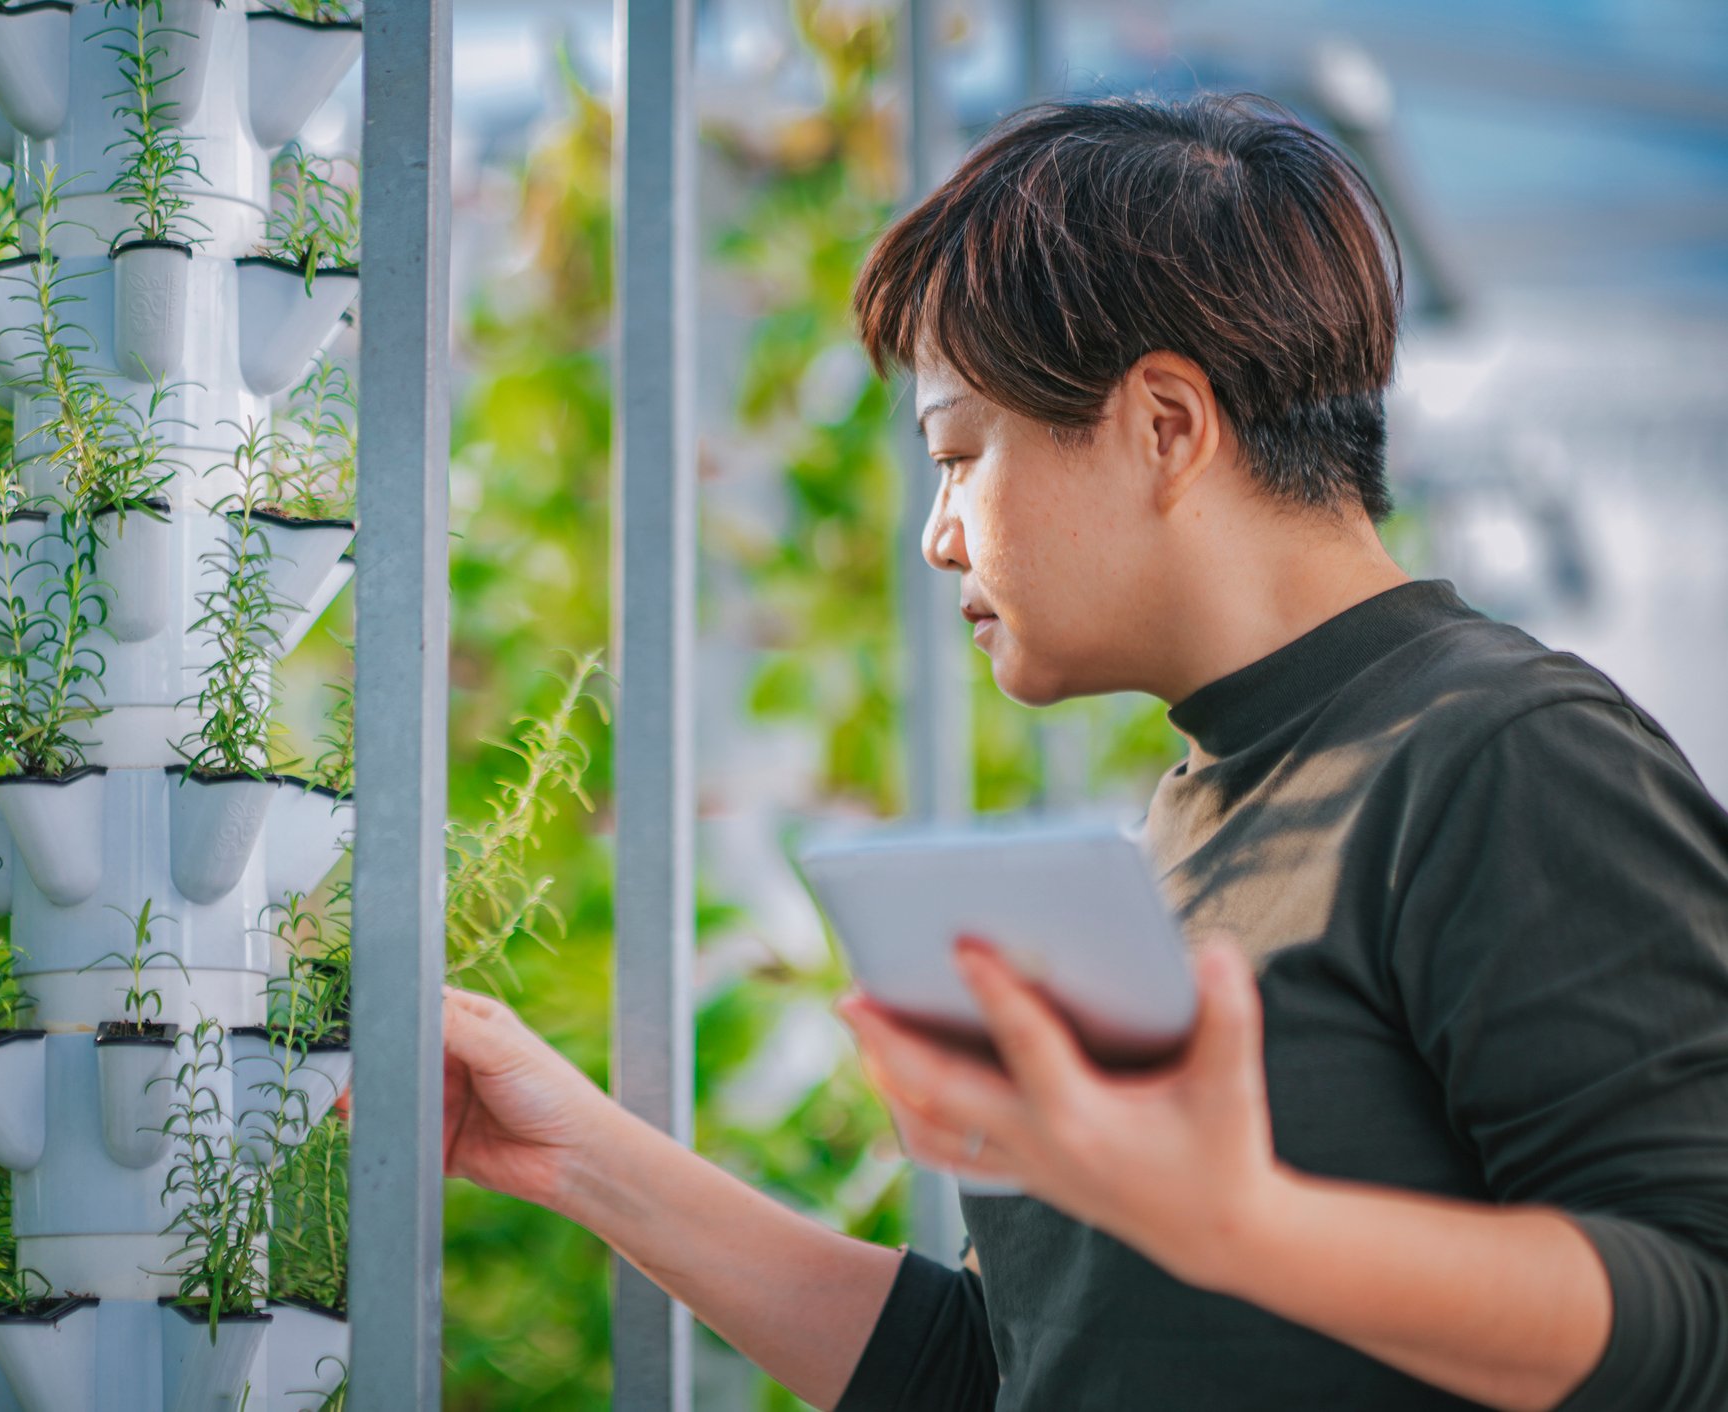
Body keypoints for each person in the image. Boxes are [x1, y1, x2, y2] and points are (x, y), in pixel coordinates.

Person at [439, 93, 1728, 1410]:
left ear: (1165, 426)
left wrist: (1248, 1229)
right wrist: (573, 1153)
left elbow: (1696, 1306)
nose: (939, 534)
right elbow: (1005, 1377)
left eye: (959, 451)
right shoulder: (1194, 816)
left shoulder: (1505, 756)